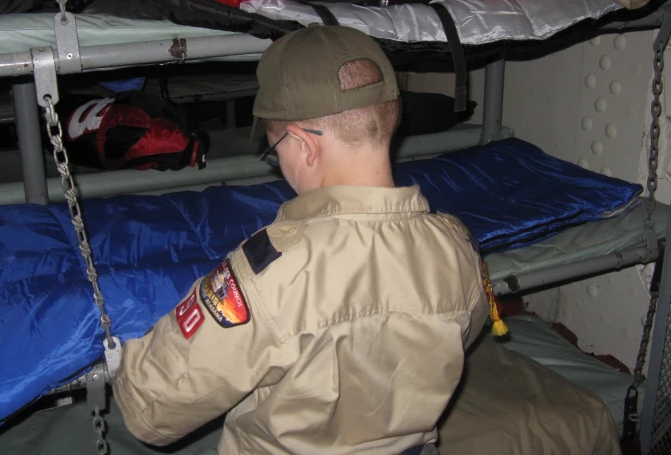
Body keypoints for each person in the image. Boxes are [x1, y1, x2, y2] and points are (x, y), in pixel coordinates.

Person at [113, 25, 490, 454]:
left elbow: (150, 411)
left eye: (275, 150)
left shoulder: (276, 271)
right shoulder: (457, 245)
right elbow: (462, 335)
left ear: (302, 145)